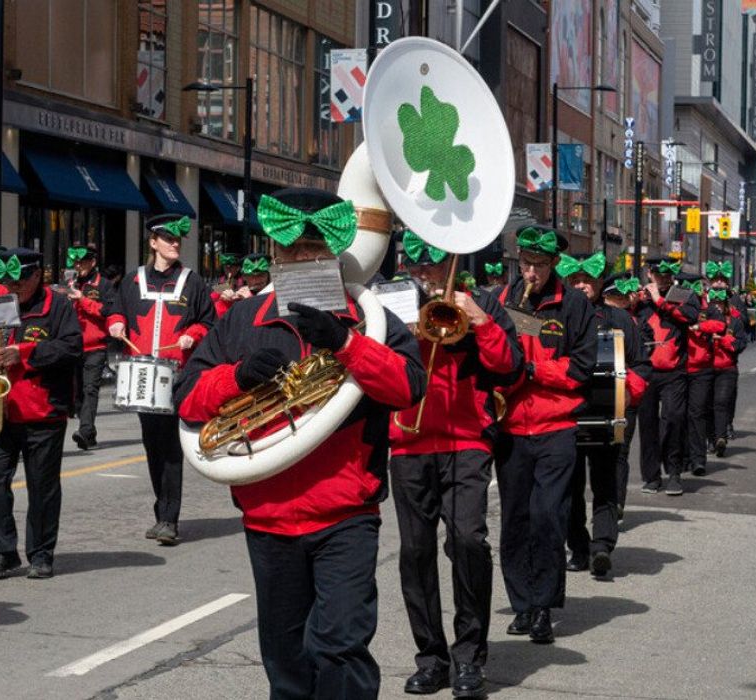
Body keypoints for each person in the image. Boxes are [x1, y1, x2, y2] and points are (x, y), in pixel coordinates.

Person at [176, 188, 426, 699]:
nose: (302, 259)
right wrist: (236, 377)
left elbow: (408, 386)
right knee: (285, 660)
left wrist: (347, 344)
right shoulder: (242, 321)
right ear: (274, 251)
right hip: (268, 516)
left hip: (345, 515)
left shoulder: (369, 318)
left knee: (340, 648)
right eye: (291, 250)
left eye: (315, 249)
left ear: (334, 253)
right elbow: (186, 399)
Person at [388, 232, 521, 698]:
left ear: (451, 264)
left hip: (467, 440)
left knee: (468, 540)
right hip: (409, 441)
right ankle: (431, 658)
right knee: (415, 552)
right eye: (417, 266)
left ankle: (469, 656)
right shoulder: (392, 302)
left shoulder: (481, 302)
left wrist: (481, 320)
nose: (424, 275)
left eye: (432, 266)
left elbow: (509, 366)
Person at [492, 226, 597, 644]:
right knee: (514, 520)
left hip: (556, 427)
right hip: (511, 425)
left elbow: (582, 369)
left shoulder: (573, 305)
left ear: (554, 264)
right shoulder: (501, 299)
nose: (530, 272)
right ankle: (522, 604)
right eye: (525, 263)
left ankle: (544, 606)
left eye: (538, 264)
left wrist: (533, 370)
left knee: (547, 516)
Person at [0, 248, 82, 580]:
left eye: (19, 281)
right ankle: (3, 551)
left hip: (43, 410)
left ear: (38, 277)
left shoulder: (58, 305)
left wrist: (26, 353)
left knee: (42, 486)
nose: (12, 287)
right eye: (6, 280)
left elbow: (72, 348)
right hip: (0, 409)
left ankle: (41, 552)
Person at [107, 214, 215, 545]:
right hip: (141, 373)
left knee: (170, 448)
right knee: (153, 447)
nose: (174, 244)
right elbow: (116, 310)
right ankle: (161, 513)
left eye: (177, 240)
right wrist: (115, 323)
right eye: (167, 239)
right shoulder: (132, 280)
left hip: (176, 375)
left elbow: (208, 323)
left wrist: (192, 335)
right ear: (153, 242)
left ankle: (170, 519)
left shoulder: (193, 282)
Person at [557, 258, 648, 578]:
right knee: (568, 485)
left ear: (599, 283)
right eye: (575, 278)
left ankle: (602, 546)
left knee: (604, 480)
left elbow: (642, 364)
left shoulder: (620, 318)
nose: (581, 284)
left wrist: (628, 391)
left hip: (606, 408)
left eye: (587, 279)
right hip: (565, 410)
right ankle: (578, 547)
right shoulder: (556, 315)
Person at [637, 258, 700, 497]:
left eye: (666, 274)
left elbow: (690, 317)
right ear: (650, 274)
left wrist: (660, 301)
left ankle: (674, 473)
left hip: (674, 371)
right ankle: (652, 476)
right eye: (657, 273)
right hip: (646, 371)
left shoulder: (684, 295)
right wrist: (635, 300)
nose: (662, 278)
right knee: (648, 425)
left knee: (674, 420)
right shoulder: (640, 297)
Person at [65, 244, 114, 451]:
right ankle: (90, 433)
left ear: (92, 262)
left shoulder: (103, 285)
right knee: (75, 394)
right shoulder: (70, 282)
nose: (79, 265)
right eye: (76, 262)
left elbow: (107, 310)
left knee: (90, 389)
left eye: (83, 262)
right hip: (73, 345)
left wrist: (82, 300)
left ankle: (85, 431)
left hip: (96, 345)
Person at [603, 275, 644, 516]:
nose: (621, 302)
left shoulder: (631, 323)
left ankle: (616, 503)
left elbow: (641, 365)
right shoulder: (591, 318)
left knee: (620, 451)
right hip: (595, 395)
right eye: (615, 297)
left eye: (623, 297)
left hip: (623, 396)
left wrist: (629, 389)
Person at [677, 273, 725, 479]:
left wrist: (699, 326)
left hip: (701, 369)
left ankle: (698, 459)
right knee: (678, 415)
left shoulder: (709, 307)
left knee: (697, 413)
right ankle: (682, 457)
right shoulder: (676, 305)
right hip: (678, 367)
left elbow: (720, 325)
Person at [708, 288, 745, 457]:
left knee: (721, 402)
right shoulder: (703, 320)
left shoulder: (734, 322)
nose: (717, 307)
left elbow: (740, 344)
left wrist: (723, 340)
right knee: (705, 406)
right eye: (714, 303)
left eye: (720, 304)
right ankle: (711, 439)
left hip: (727, 368)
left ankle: (720, 438)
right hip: (705, 369)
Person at [213, 253, 270, 318]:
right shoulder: (220, 280)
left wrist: (251, 301)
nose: (256, 280)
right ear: (244, 277)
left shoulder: (275, 293)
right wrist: (225, 303)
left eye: (261, 275)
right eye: (251, 277)